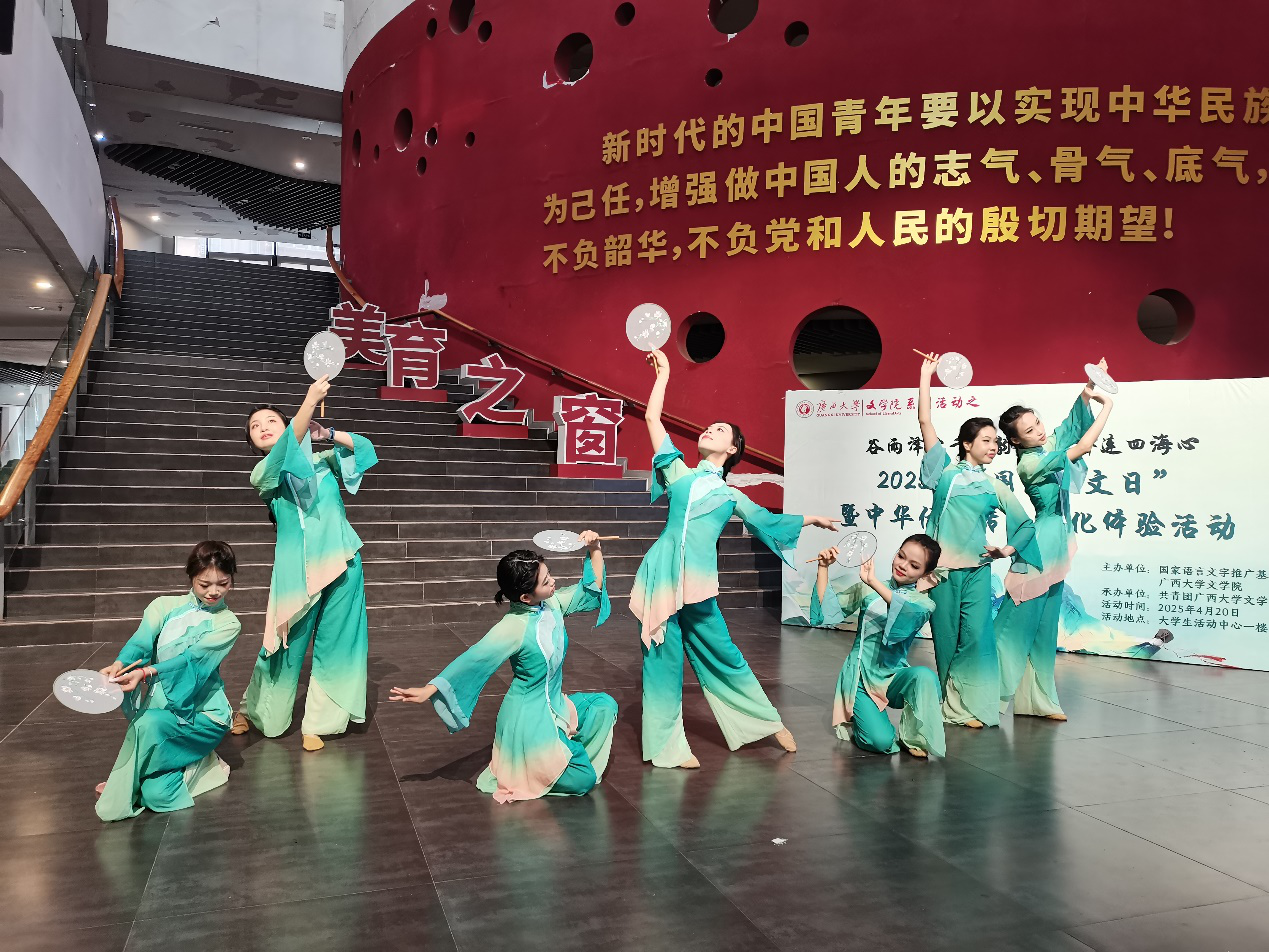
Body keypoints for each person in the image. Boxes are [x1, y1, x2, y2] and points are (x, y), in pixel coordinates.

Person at [633, 349, 840, 768]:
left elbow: (767, 521)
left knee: (724, 653)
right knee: (661, 659)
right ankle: (665, 746)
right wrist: (664, 375)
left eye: (720, 429)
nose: (710, 429)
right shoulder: (678, 472)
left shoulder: (731, 495)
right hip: (662, 574)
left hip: (698, 583)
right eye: (709, 427)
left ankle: (763, 722)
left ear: (732, 449)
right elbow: (652, 418)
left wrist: (812, 518)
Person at [389, 535, 615, 801]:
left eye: (549, 575)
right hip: (527, 719)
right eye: (546, 582)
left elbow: (590, 590)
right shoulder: (512, 627)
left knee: (604, 706)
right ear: (525, 597)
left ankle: (559, 752)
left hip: (555, 706)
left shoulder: (552, 604)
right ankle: (543, 762)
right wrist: (430, 689)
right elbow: (474, 659)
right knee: (584, 779)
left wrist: (594, 548)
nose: (553, 581)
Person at [231, 375, 378, 751]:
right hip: (298, 572)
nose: (263, 427)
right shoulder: (264, 473)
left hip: (344, 561)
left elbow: (365, 449)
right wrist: (310, 400)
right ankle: (258, 712)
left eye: (271, 421)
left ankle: (321, 723)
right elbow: (285, 450)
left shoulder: (323, 461)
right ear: (252, 442)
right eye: (255, 426)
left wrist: (326, 433)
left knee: (340, 643)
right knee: (283, 646)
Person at [917, 352, 1040, 728]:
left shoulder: (993, 484)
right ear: (966, 444)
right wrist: (926, 376)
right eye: (986, 440)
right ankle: (947, 704)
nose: (993, 446)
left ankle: (968, 705)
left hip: (977, 571)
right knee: (946, 637)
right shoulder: (944, 473)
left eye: (996, 442)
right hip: (942, 572)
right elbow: (925, 421)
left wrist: (1006, 549)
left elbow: (1025, 524)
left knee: (976, 639)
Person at [995, 363, 1114, 718]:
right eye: (1030, 430)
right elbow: (1082, 444)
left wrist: (1089, 387)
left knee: (1045, 628)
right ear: (1016, 441)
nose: (1040, 431)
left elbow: (1068, 427)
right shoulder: (1030, 464)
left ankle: (1039, 700)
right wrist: (1107, 406)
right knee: (1016, 625)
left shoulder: (1043, 447)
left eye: (1037, 423)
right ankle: (983, 694)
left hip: (1058, 542)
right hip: (1042, 544)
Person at [96, 541, 241, 821]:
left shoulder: (228, 623)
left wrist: (146, 672)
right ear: (191, 577)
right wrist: (120, 664)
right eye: (204, 584)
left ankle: (127, 783)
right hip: (165, 710)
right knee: (157, 795)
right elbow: (140, 643)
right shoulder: (163, 606)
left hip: (203, 717)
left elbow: (191, 660)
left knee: (147, 724)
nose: (214, 592)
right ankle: (199, 763)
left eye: (223, 584)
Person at [810, 535, 945, 758]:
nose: (903, 566)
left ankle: (914, 737)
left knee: (925, 676)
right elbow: (827, 613)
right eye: (901, 556)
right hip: (861, 678)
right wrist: (823, 568)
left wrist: (873, 582)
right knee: (880, 741)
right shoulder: (868, 589)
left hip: (894, 676)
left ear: (925, 574)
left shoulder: (923, 604)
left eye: (914, 566)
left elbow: (904, 611)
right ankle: (864, 722)